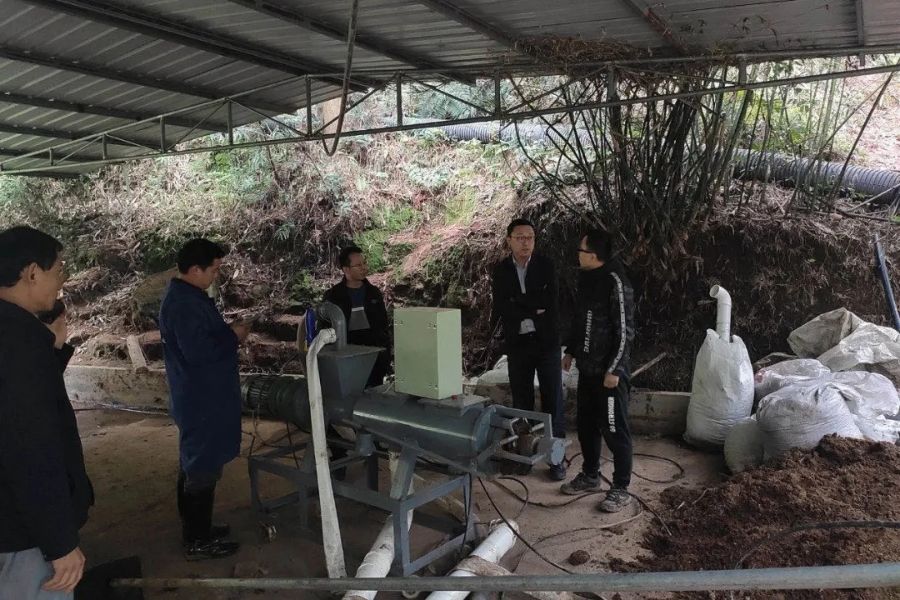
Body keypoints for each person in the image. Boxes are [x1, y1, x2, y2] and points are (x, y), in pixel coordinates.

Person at [0, 226, 93, 598]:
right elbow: (30, 450)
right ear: (32, 273)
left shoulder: (16, 337)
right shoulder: (19, 343)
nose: (61, 281)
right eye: (59, 270)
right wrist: (60, 542)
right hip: (22, 536)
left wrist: (51, 350)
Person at [159, 239, 249, 560]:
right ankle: (197, 540)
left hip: (199, 395)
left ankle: (198, 528)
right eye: (213, 270)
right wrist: (233, 336)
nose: (216, 276)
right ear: (195, 270)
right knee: (202, 467)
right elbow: (199, 352)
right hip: (201, 399)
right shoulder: (184, 305)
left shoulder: (189, 297)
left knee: (195, 463)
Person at [560, 229, 636, 513]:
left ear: (593, 256)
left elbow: (625, 331)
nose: (577, 255)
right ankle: (590, 474)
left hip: (609, 375)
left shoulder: (616, 282)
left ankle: (621, 487)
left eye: (581, 251)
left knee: (615, 430)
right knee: (586, 426)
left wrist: (614, 369)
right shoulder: (587, 278)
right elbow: (582, 320)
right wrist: (571, 350)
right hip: (588, 370)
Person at [490, 218, 567, 481]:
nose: (526, 243)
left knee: (552, 399)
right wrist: (533, 306)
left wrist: (519, 303)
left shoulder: (546, 265)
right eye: (520, 238)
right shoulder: (501, 270)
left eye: (530, 237)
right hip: (518, 344)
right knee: (521, 401)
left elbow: (551, 302)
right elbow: (502, 307)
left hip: (546, 343)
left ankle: (556, 457)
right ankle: (524, 455)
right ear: (509, 240)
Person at [323, 245, 391, 387]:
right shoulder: (333, 296)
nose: (364, 268)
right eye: (358, 265)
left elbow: (383, 326)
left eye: (364, 263)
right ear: (346, 269)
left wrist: (385, 354)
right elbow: (325, 330)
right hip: (346, 357)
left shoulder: (373, 293)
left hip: (373, 355)